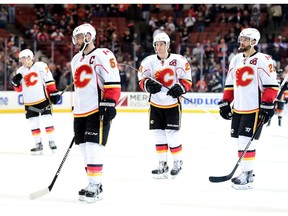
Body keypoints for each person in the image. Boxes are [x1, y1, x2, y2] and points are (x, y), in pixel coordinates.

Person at [218, 28, 279, 190]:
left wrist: (267, 105)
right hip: (239, 108)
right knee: (239, 140)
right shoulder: (236, 59)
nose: (241, 42)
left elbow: (272, 85)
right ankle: (245, 171)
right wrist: (226, 102)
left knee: (246, 140)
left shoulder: (263, 59)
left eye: (245, 39)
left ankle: (248, 174)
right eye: (241, 39)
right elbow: (230, 83)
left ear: (254, 42)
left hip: (254, 108)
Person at [71, 23, 121, 203]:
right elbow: (79, 88)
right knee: (84, 148)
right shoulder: (76, 59)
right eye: (75, 37)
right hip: (80, 111)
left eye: (79, 37)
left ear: (89, 37)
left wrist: (110, 102)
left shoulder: (103, 54)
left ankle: (96, 184)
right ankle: (92, 182)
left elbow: (113, 80)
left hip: (96, 108)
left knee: (93, 146)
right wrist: (76, 106)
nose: (76, 40)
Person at [137, 32, 192, 179]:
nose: (159, 47)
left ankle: (177, 162)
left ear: (168, 45)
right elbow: (141, 79)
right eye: (157, 44)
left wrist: (181, 88)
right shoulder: (148, 61)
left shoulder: (179, 60)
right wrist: (148, 85)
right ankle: (162, 164)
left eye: (161, 44)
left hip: (172, 105)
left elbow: (187, 79)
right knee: (159, 135)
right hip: (155, 104)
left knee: (172, 135)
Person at [11, 49, 61, 154]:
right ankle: (38, 143)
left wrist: (53, 92)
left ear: (29, 57)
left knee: (48, 120)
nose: (22, 61)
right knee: (33, 123)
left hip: (42, 99)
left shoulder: (41, 66)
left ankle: (51, 141)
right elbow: (19, 90)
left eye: (23, 58)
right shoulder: (20, 70)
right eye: (21, 59)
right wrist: (15, 84)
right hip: (29, 102)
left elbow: (49, 80)